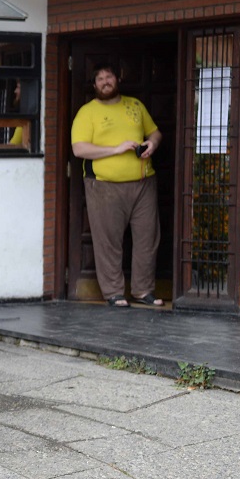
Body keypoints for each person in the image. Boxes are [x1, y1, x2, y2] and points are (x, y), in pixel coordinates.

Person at [71, 63, 164, 308]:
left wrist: (152, 144)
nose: (105, 81)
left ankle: (143, 291)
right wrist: (116, 149)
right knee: (108, 241)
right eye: (99, 78)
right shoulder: (87, 112)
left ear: (117, 79)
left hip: (143, 183)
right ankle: (113, 292)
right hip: (104, 186)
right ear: (95, 85)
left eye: (108, 76)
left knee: (147, 238)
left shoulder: (135, 105)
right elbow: (79, 149)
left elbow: (155, 132)